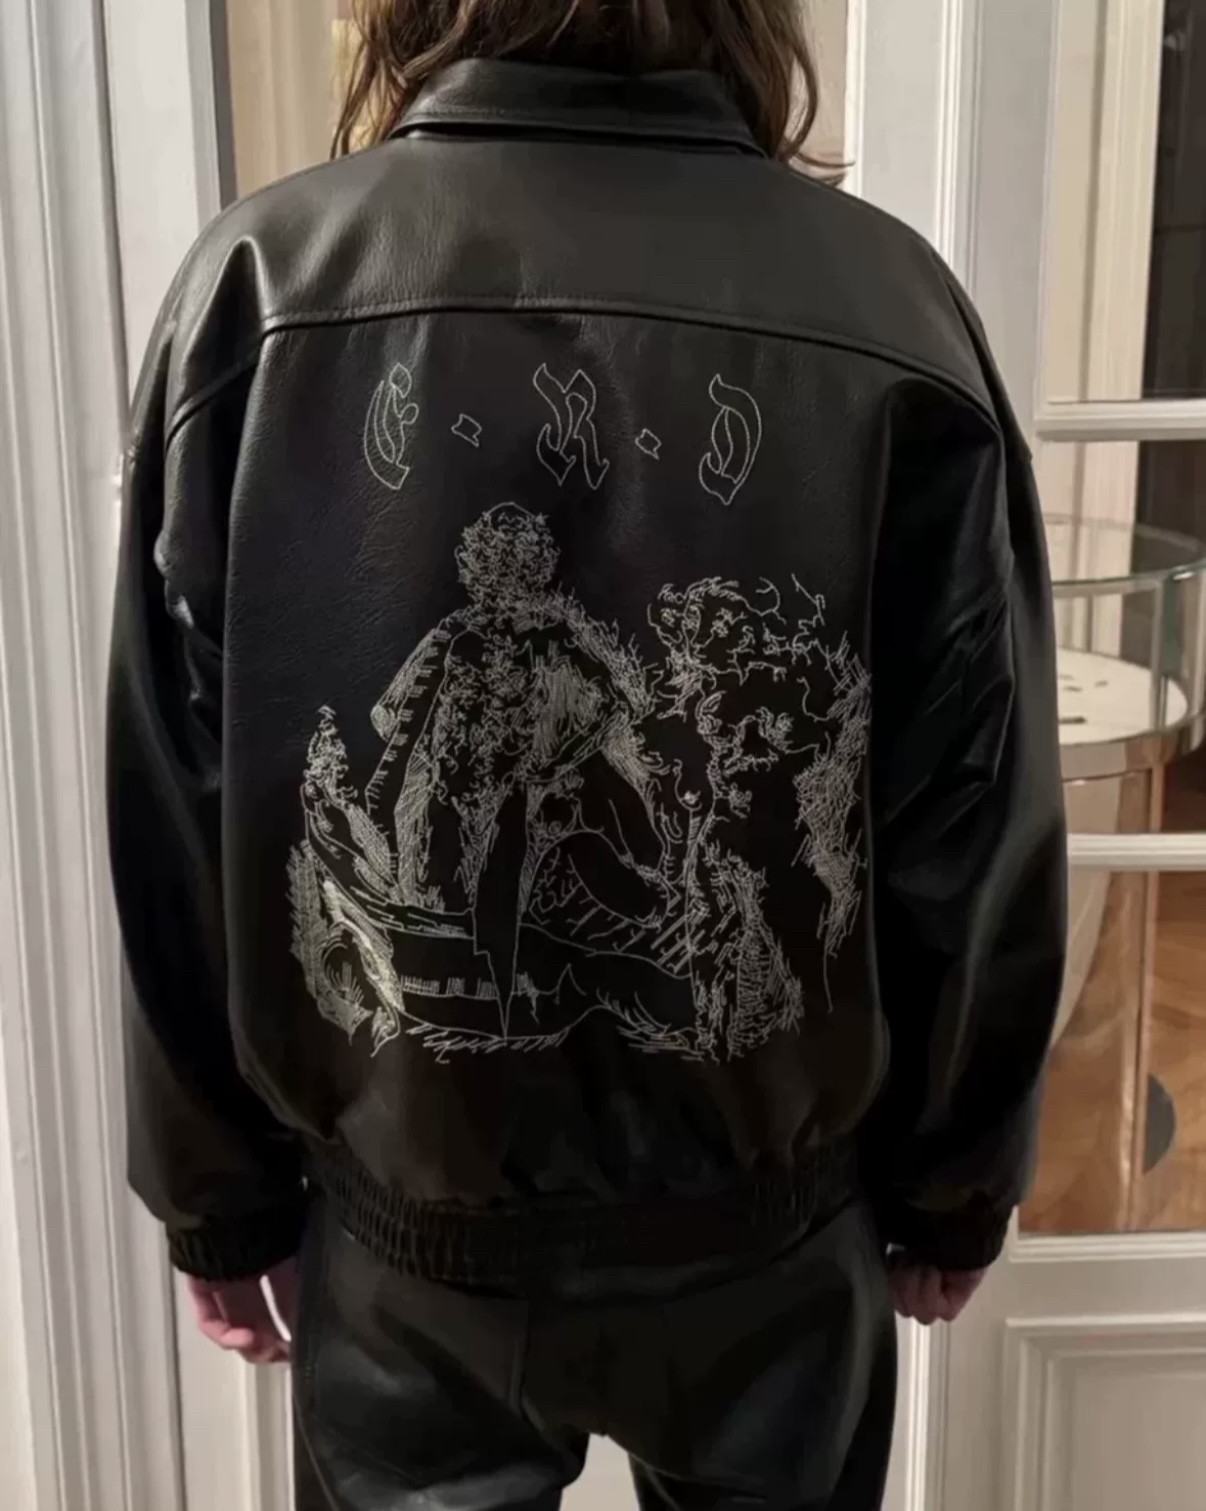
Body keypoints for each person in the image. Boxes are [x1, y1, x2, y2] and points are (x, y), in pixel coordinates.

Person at [106, 2, 1067, 1507]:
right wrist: (954, 1182)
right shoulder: (890, 304)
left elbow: (175, 796)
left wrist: (214, 1197)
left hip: (411, 1240)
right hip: (768, 1235)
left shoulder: (265, 286)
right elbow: (973, 804)